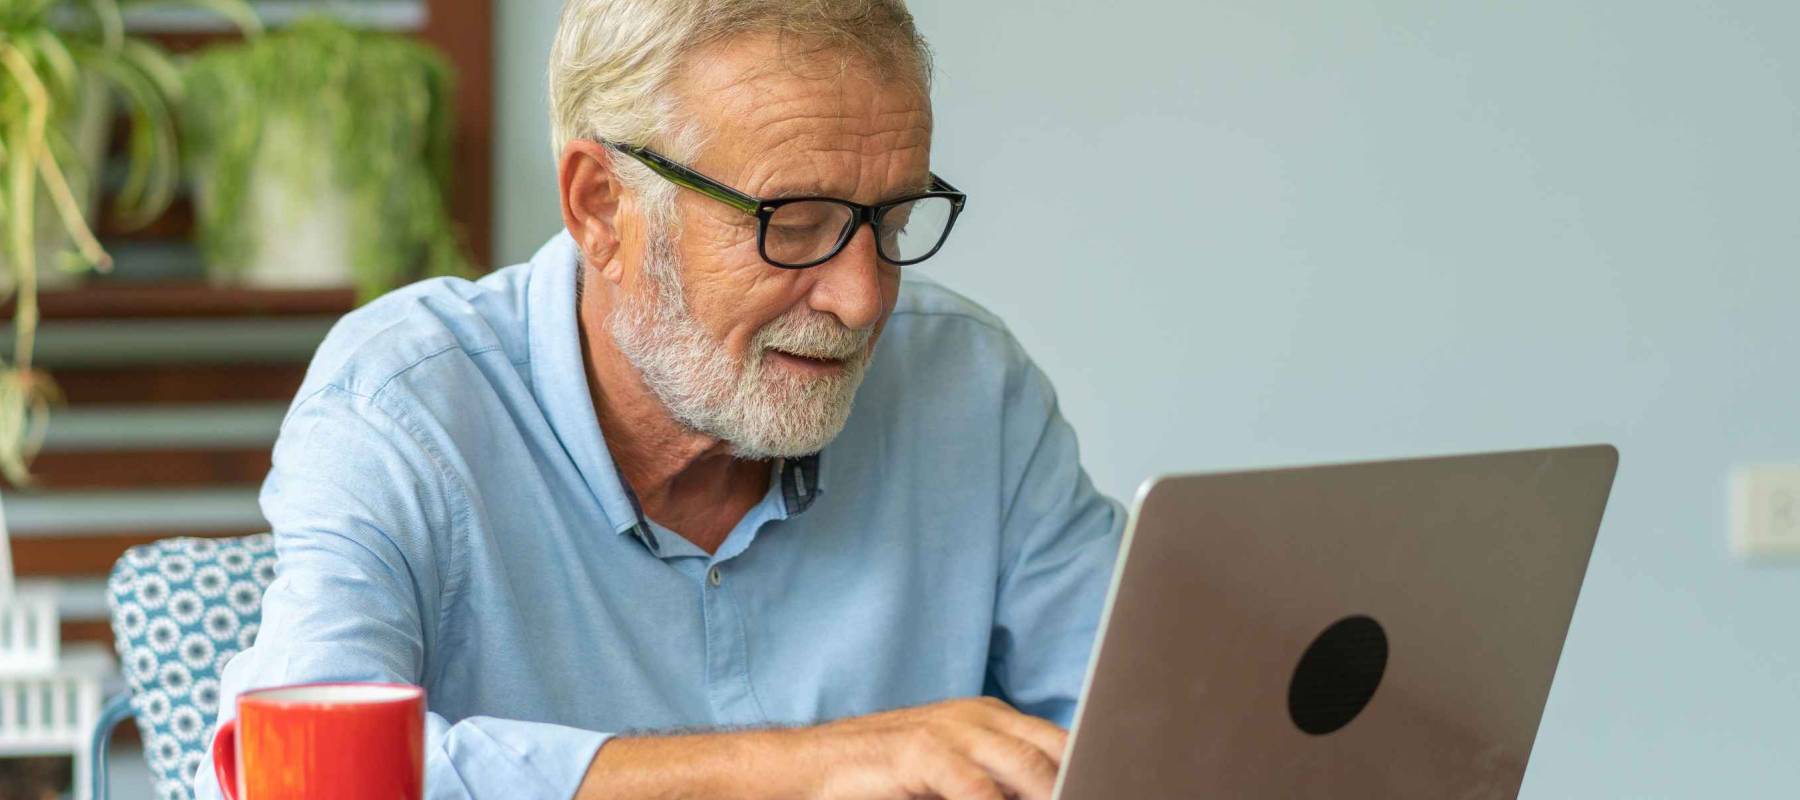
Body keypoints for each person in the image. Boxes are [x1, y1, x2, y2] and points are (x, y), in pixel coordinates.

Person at [201, 1, 1123, 798]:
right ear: (601, 206)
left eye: (893, 223)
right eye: (794, 226)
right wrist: (811, 770)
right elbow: (302, 775)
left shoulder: (970, 385)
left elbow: (1147, 732)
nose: (863, 298)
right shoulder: (406, 406)